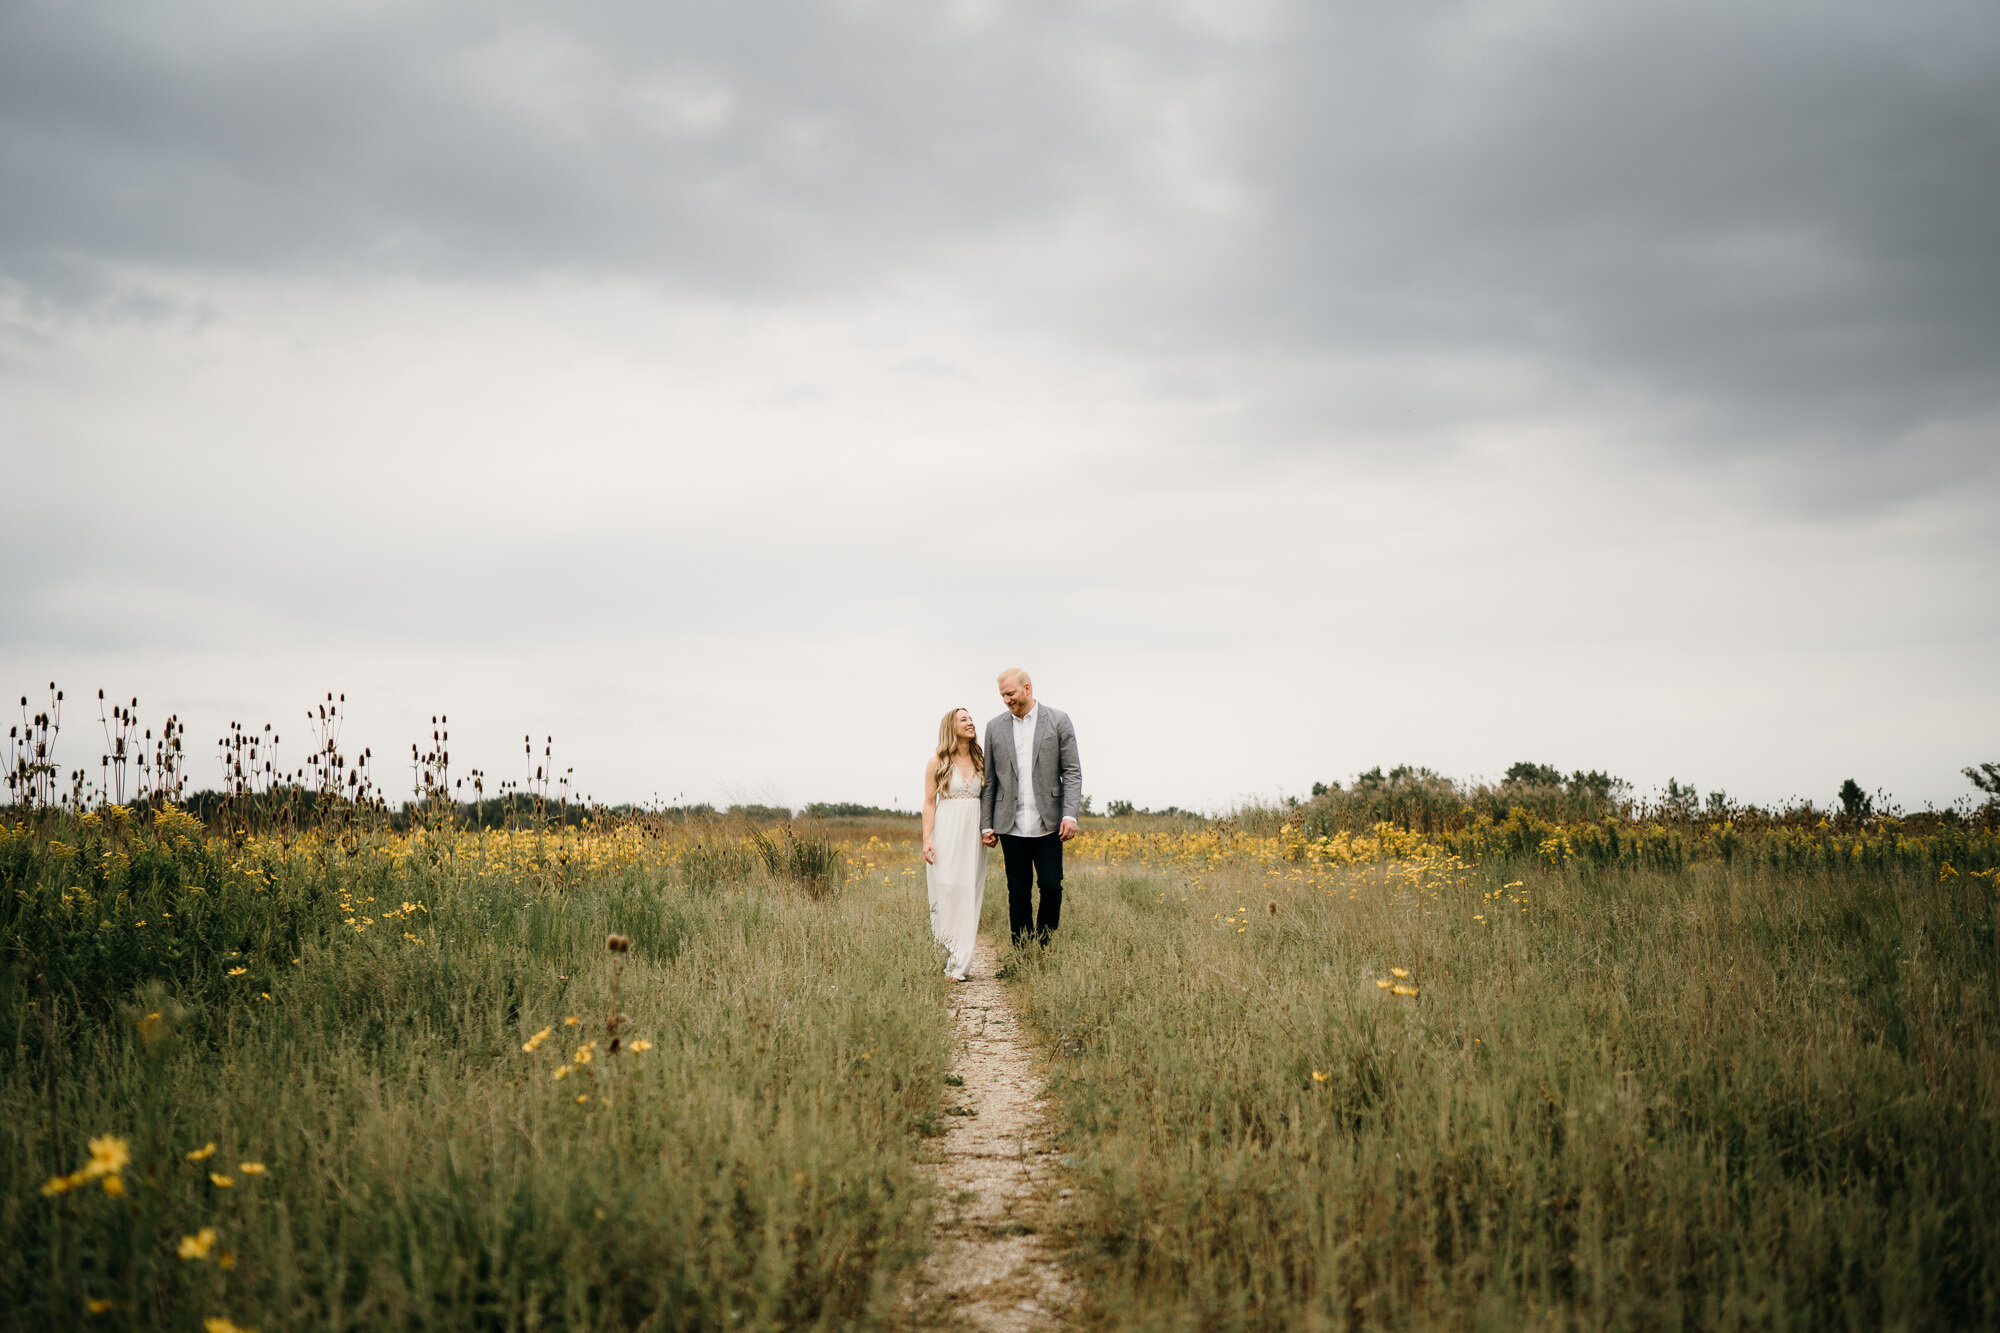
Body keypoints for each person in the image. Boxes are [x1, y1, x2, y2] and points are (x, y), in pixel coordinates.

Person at [980, 668, 1081, 947]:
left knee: (1051, 887)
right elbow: (989, 780)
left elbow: (1071, 771)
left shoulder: (1058, 720)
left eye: (1010, 693)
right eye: (1002, 695)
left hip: (1049, 823)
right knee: (1018, 893)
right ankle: (1022, 955)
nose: (1006, 700)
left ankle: (1044, 947)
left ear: (1027, 688)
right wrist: (986, 824)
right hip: (1010, 824)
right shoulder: (994, 727)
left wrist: (1070, 814)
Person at [922, 706, 987, 981]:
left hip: (973, 834)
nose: (971, 723)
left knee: (969, 892)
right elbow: (928, 802)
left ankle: (962, 962)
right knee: (947, 892)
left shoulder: (981, 759)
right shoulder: (937, 761)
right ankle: (947, 956)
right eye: (964, 720)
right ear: (952, 726)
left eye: (971, 719)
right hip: (946, 831)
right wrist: (927, 839)